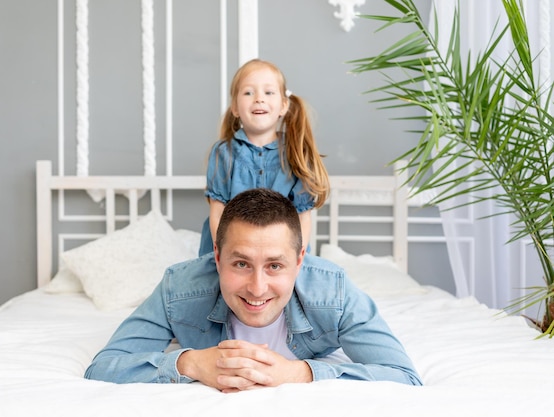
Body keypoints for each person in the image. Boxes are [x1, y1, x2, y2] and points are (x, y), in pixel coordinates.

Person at [84, 188, 422, 392]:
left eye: (275, 266)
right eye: (241, 264)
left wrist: (300, 373)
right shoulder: (180, 287)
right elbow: (104, 368)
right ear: (217, 257)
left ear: (300, 259)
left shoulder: (332, 291)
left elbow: (404, 377)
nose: (257, 289)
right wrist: (191, 364)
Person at [198, 59, 330, 256]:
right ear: (235, 107)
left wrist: (295, 257)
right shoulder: (223, 152)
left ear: (283, 106)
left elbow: (303, 216)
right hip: (232, 252)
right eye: (248, 92)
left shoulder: (297, 153)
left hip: (283, 253)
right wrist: (224, 253)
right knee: (193, 283)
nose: (259, 98)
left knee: (321, 282)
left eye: (268, 92)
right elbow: (217, 212)